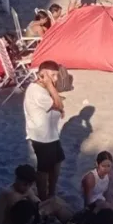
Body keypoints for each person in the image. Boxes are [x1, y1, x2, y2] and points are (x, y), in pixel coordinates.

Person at [0, 164, 72, 224]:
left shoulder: (24, 189)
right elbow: (4, 223)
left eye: (30, 184)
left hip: (23, 221)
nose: (27, 187)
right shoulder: (9, 195)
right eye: (25, 184)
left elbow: (37, 202)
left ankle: (73, 223)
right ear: (17, 179)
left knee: (54, 201)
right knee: (53, 206)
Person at [24, 61, 65, 200]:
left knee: (57, 163)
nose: (55, 78)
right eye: (53, 75)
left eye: (56, 75)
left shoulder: (44, 89)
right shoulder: (36, 91)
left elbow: (58, 106)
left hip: (52, 135)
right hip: (42, 137)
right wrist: (50, 86)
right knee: (44, 170)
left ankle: (52, 193)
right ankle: (43, 197)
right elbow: (59, 104)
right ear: (43, 73)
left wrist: (58, 106)